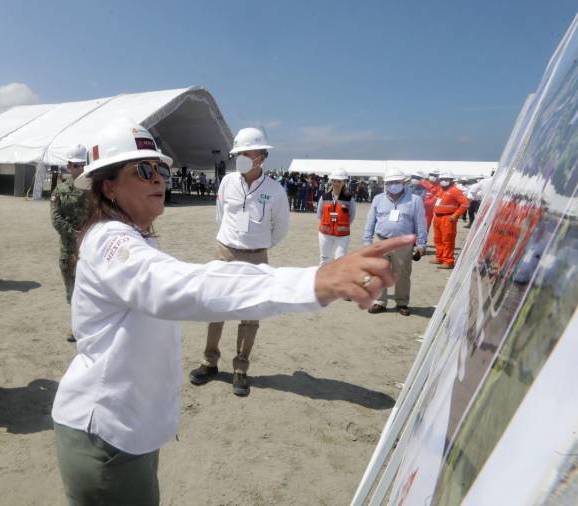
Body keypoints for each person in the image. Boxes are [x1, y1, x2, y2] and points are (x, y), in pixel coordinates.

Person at [51, 118, 413, 504]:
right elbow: (178, 285)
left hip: (126, 431)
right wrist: (315, 282)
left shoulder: (132, 236)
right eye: (143, 170)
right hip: (107, 436)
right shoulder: (111, 240)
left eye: (161, 169)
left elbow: (260, 242)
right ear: (108, 185)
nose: (159, 179)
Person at [188, 127, 290, 397]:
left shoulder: (275, 191)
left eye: (247, 153)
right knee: (215, 309)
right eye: (238, 153)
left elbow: (280, 228)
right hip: (225, 252)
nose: (241, 158)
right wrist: (232, 241)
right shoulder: (227, 183)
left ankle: (240, 369)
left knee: (250, 315)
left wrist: (257, 247)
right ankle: (209, 362)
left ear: (262, 156)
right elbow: (221, 215)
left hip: (257, 257)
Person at [363, 168, 428, 316]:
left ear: (403, 182)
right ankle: (380, 301)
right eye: (389, 182)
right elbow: (370, 221)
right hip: (380, 241)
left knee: (402, 274)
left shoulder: (415, 200)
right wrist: (367, 241)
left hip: (403, 244)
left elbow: (420, 223)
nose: (392, 185)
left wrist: (421, 244)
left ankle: (402, 302)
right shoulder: (378, 199)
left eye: (395, 182)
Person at [51, 144, 91, 342]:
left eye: (82, 165)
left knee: (92, 288)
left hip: (91, 247)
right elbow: (56, 218)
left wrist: (89, 233)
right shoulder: (60, 189)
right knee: (72, 289)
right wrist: (74, 234)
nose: (79, 169)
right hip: (69, 249)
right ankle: (77, 326)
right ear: (68, 166)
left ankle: (91, 325)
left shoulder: (94, 188)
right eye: (75, 165)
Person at [430, 172, 470, 269]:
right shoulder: (440, 190)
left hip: (448, 218)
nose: (444, 181)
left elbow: (465, 203)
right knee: (438, 239)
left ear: (451, 180)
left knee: (447, 240)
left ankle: (448, 261)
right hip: (437, 218)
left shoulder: (455, 191)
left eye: (446, 179)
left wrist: (455, 215)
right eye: (442, 179)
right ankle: (440, 258)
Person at [316, 168, 356, 265]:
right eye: (334, 181)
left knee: (340, 260)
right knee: (324, 260)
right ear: (331, 181)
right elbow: (319, 214)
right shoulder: (324, 197)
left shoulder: (349, 198)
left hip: (342, 236)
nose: (336, 183)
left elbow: (352, 216)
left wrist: (340, 225)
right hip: (325, 234)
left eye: (339, 181)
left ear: (344, 182)